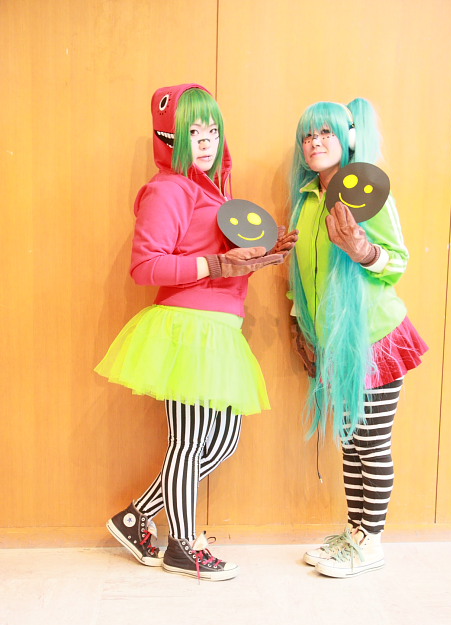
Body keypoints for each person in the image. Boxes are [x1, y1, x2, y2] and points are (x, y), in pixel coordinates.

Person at [96, 83, 297, 581]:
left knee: (223, 440)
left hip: (221, 330)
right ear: (169, 137)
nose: (205, 140)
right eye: (192, 131)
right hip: (188, 328)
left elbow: (218, 264)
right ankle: (182, 546)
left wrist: (260, 256)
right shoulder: (169, 189)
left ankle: (135, 517)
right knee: (188, 442)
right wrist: (217, 263)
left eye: (212, 129)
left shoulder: (216, 194)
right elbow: (146, 266)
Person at [288, 98, 428, 578]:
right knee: (351, 442)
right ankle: (355, 534)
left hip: (376, 338)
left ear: (348, 139)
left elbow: (398, 260)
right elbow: (303, 273)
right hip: (335, 342)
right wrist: (300, 326)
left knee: (372, 443)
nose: (315, 142)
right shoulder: (307, 200)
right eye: (308, 135)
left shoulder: (369, 192)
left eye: (326, 132)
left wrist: (364, 250)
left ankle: (372, 541)